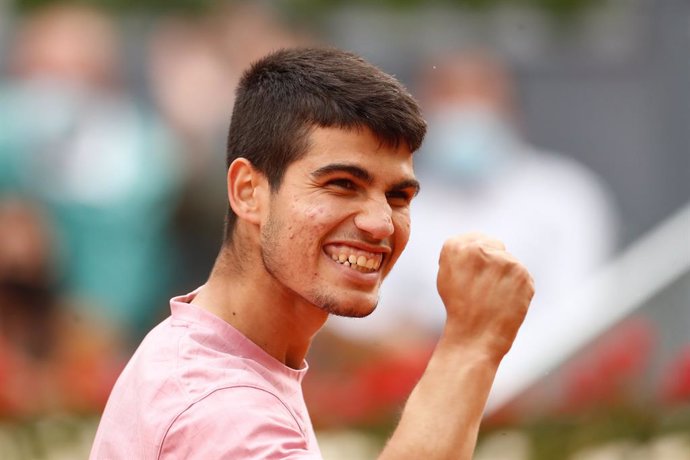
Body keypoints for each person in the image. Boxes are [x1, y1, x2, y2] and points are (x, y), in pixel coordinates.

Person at [90, 47, 534, 459]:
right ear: (248, 192)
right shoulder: (222, 410)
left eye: (398, 196)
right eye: (343, 184)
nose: (380, 223)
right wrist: (471, 345)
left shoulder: (212, 356)